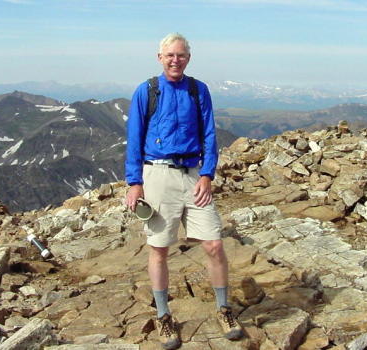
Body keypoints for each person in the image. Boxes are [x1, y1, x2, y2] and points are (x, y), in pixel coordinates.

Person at [125, 33, 243, 349]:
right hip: (158, 175)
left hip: (193, 175)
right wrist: (134, 182)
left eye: (181, 55)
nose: (175, 60)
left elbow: (209, 135)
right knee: (160, 248)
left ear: (188, 58)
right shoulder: (146, 91)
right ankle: (164, 316)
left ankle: (223, 308)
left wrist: (207, 175)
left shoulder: (197, 90)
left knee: (214, 245)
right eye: (170, 55)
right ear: (159, 57)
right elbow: (134, 139)